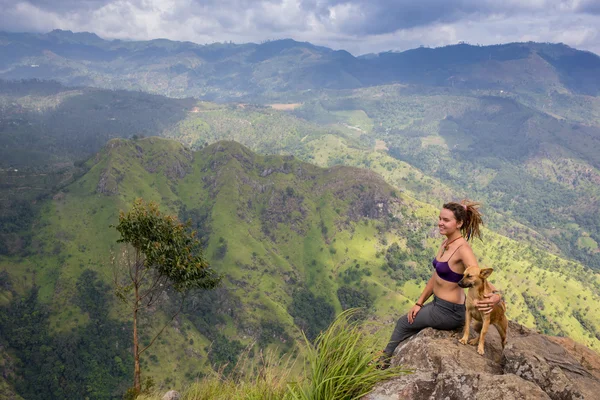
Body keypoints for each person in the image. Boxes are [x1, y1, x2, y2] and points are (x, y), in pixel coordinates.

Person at [378, 200, 502, 369]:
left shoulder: (463, 249)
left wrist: (496, 296)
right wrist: (418, 303)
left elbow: (478, 275)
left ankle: (382, 364)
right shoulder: (445, 244)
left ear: (459, 223)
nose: (440, 223)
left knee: (402, 323)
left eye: (446, 220)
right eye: (440, 218)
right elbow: (435, 277)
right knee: (410, 323)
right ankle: (392, 360)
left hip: (450, 311)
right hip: (437, 304)